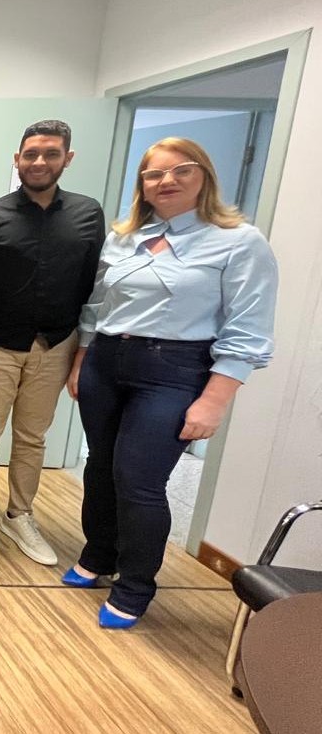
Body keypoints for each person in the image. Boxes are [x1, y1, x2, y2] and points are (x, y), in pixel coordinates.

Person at [65, 137, 276, 628]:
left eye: (181, 170)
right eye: (154, 174)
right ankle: (99, 555)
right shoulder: (125, 236)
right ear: (142, 184)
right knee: (100, 467)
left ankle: (135, 585)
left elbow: (248, 330)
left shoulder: (239, 241)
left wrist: (214, 401)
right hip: (107, 361)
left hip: (174, 372)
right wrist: (81, 362)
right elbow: (97, 308)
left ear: (204, 175)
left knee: (139, 481)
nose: (167, 181)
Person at [0, 120, 105, 565]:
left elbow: (97, 286)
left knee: (33, 437)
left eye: (50, 154)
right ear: (17, 160)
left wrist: (81, 352)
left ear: (67, 159)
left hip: (56, 344)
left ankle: (20, 515)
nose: (39, 162)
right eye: (31, 154)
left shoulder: (88, 214)